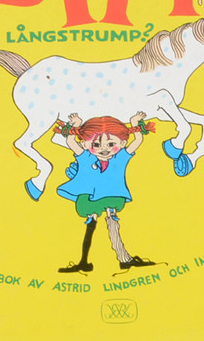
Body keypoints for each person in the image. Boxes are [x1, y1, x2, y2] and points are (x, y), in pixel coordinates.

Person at [54, 112, 154, 273]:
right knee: (90, 225)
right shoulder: (86, 157)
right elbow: (70, 141)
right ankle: (83, 261)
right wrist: (76, 124)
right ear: (86, 144)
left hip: (111, 195)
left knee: (113, 223)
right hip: (90, 197)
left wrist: (134, 122)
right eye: (96, 144)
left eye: (111, 144)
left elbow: (138, 140)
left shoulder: (120, 158)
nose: (104, 149)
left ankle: (124, 259)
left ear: (122, 143)